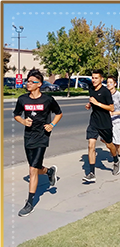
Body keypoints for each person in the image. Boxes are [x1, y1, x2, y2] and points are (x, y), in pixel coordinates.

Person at [13, 69, 63, 217]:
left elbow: (59, 113)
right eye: (27, 81)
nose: (28, 84)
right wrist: (23, 121)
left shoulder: (47, 100)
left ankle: (29, 203)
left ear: (39, 84)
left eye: (31, 82)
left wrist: (52, 125)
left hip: (42, 136)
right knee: (33, 167)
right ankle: (49, 171)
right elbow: (16, 115)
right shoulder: (22, 99)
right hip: (28, 137)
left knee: (32, 170)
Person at [83, 69, 120, 183]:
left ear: (101, 79)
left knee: (110, 145)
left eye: (96, 78)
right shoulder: (91, 88)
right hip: (94, 122)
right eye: (92, 78)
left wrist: (97, 103)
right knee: (91, 146)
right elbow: (93, 101)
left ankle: (116, 160)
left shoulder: (105, 92)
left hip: (105, 123)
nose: (93, 80)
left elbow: (111, 108)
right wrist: (89, 105)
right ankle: (91, 173)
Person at [101, 75, 120, 165]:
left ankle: (119, 157)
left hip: (116, 121)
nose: (108, 84)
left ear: (115, 84)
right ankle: (113, 151)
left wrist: (114, 113)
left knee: (117, 142)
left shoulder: (118, 95)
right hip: (106, 122)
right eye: (107, 82)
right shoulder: (105, 94)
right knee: (103, 139)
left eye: (111, 83)